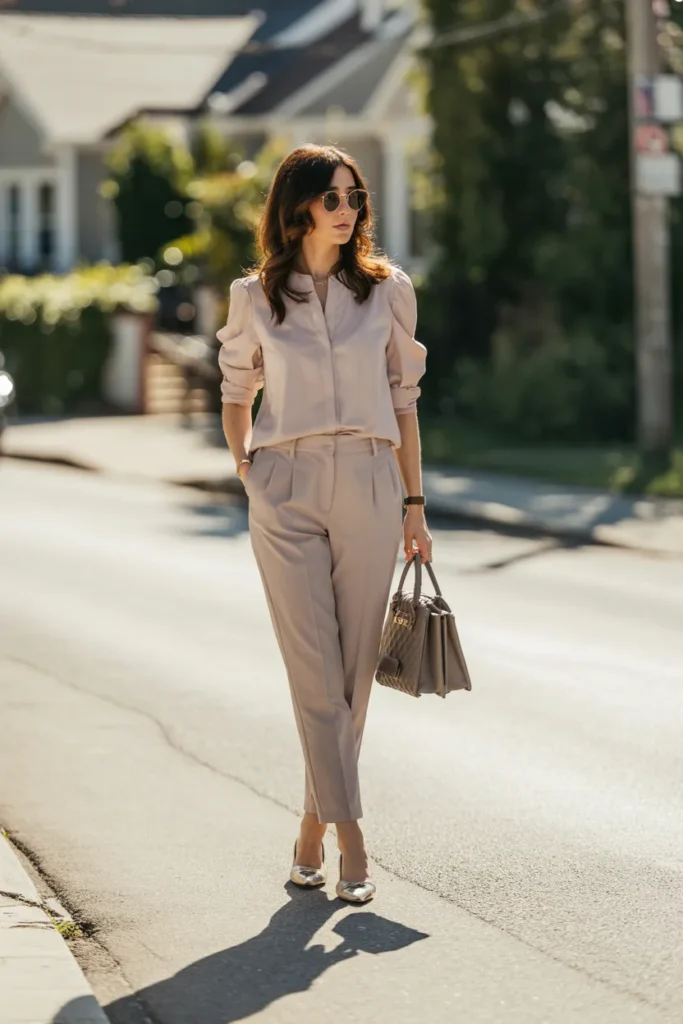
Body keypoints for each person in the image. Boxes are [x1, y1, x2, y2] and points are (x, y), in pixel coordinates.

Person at [217, 144, 431, 903]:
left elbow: (404, 404)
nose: (347, 211)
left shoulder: (386, 291)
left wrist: (415, 506)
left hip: (372, 482)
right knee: (312, 670)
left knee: (347, 679)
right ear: (298, 204)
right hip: (285, 483)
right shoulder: (256, 295)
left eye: (354, 197)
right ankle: (353, 838)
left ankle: (310, 829)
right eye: (332, 198)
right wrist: (250, 471)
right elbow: (235, 389)